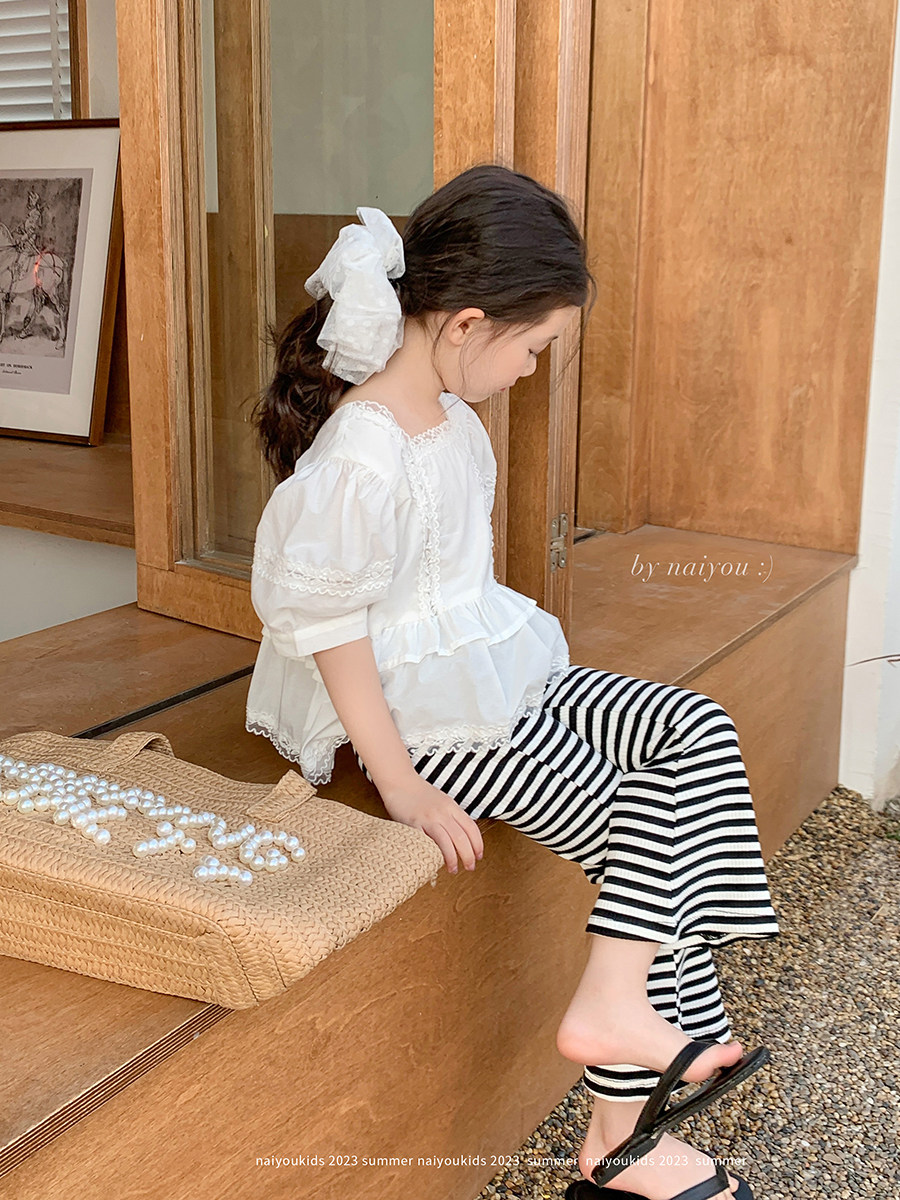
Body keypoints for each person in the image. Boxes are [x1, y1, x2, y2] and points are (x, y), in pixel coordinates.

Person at [244, 163, 780, 1200]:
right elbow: (331, 628)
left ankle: (618, 1036)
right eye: (534, 348)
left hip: (495, 677)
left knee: (695, 728)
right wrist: (400, 783)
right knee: (651, 828)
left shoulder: (454, 422)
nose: (533, 370)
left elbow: (457, 593)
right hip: (423, 725)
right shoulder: (362, 455)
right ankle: (623, 1138)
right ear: (467, 323)